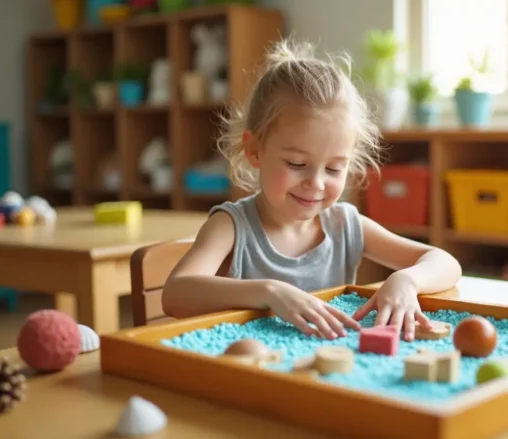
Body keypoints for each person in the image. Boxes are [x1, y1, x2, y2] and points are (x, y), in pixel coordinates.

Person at [162, 38, 462, 342]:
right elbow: (176, 293)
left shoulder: (344, 224)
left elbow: (446, 262)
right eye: (296, 163)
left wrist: (407, 280)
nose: (316, 184)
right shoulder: (231, 226)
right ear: (254, 150)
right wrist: (270, 291)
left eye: (334, 169)